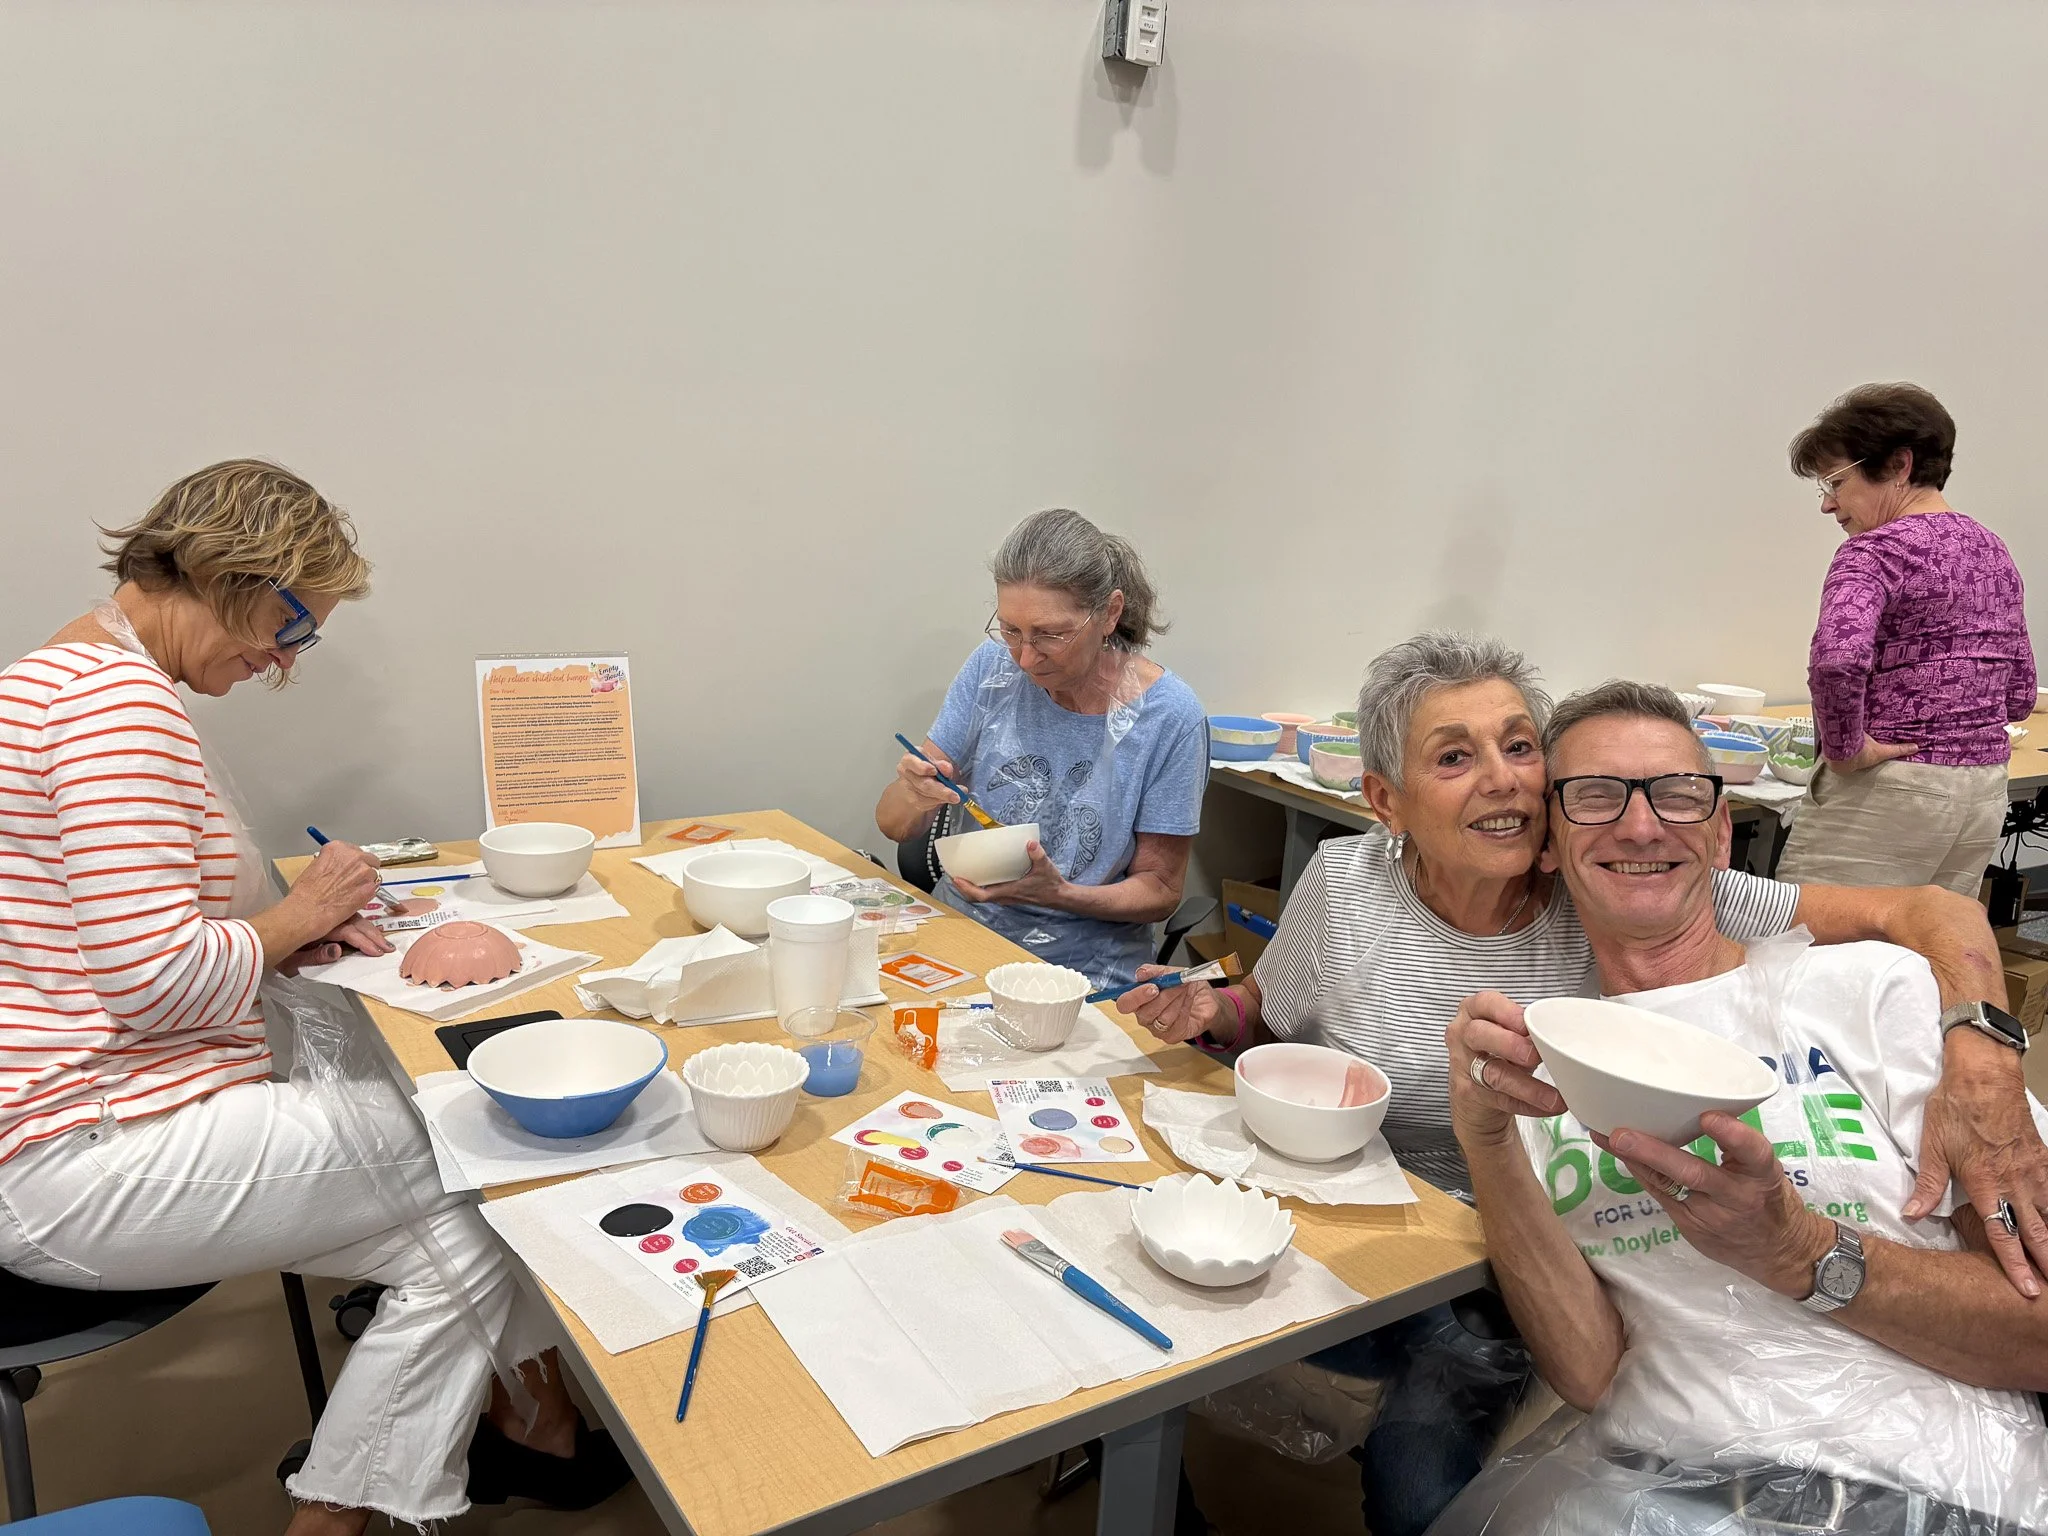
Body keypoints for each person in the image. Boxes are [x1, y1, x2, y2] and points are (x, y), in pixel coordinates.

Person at [1120, 633, 2044, 1536]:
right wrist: (1212, 1011)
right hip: (1395, 1223)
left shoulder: (1658, 890)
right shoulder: (1356, 897)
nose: (1506, 780)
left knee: (1420, 1460)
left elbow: (1927, 913)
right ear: (1385, 802)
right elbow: (1272, 1016)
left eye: (1521, 747)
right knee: (1157, 1306)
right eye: (1455, 756)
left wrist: (1984, 1051)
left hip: (1517, 1271)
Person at [0, 462, 624, 1535]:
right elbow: (152, 983)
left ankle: (491, 1447)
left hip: (70, 1127)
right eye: (292, 627)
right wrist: (301, 911)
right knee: (499, 1154)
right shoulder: (116, 709)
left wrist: (278, 940)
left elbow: (108, 940)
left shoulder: (49, 677)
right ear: (233, 570)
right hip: (81, 1153)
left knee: (464, 1245)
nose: (283, 661)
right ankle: (369, 1502)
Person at [1438, 680, 2048, 1534]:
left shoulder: (1873, 991)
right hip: (1658, 1488)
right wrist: (1487, 1136)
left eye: (1678, 794)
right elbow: (1589, 1373)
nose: (1643, 826)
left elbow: (2040, 1330)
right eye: (1595, 796)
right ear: (1550, 845)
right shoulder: (1544, 1065)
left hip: (1935, 1486)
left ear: (1723, 831)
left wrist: (1803, 1253)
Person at [874, 508, 1208, 991]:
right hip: (961, 934)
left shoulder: (1169, 716)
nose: (1026, 658)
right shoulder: (992, 669)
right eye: (1011, 630)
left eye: (1051, 634)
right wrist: (914, 795)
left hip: (1085, 968)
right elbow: (892, 822)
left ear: (1110, 613)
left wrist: (1061, 895)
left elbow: (1159, 891)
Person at [1777, 382, 2036, 895]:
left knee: (1815, 955)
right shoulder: (1992, 550)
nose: (1828, 504)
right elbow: (2020, 693)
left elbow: (1836, 660)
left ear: (1898, 464)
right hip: (1982, 792)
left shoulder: (1874, 552)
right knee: (1921, 954)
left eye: (1835, 481)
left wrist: (1847, 749)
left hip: (1890, 792)